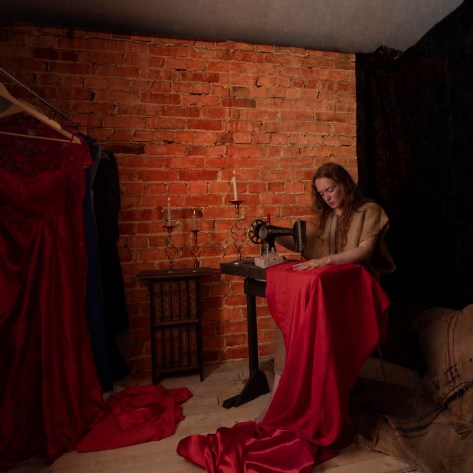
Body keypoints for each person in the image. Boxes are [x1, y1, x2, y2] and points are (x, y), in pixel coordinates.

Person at [262, 162, 395, 419]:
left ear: (344, 184)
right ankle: (279, 399)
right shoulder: (327, 219)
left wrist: (325, 261)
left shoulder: (369, 211)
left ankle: (290, 399)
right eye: (322, 193)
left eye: (331, 190)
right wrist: (273, 234)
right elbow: (305, 244)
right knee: (294, 315)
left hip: (359, 293)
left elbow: (363, 252)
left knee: (305, 313)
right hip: (331, 290)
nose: (327, 197)